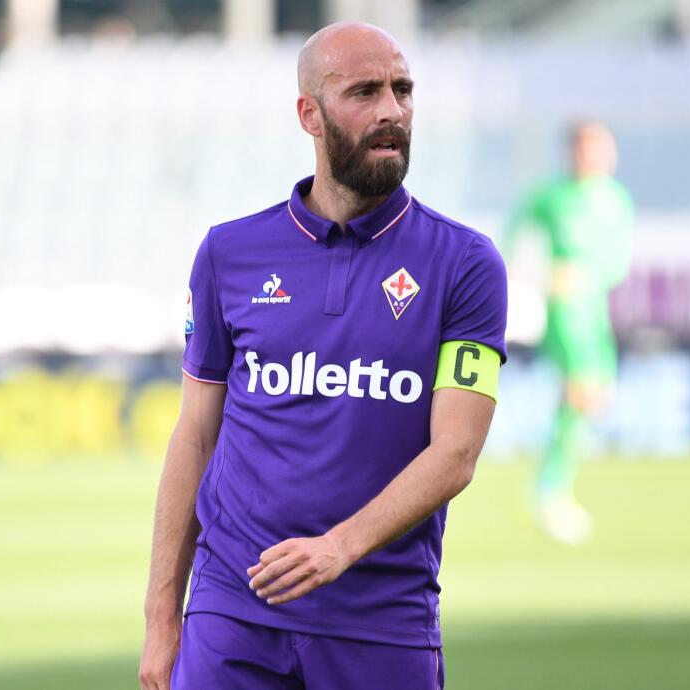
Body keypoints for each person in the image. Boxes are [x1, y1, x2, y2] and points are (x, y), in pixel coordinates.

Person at [140, 21, 508, 690]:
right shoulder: (229, 254)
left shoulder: (465, 264)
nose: (392, 111)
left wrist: (338, 548)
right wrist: (163, 615)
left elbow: (455, 454)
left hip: (381, 622)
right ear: (309, 113)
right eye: (364, 92)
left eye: (403, 90)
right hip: (231, 614)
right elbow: (194, 436)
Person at [502, 122, 634, 545]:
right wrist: (532, 277)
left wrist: (589, 276)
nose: (594, 157)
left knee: (592, 400)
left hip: (594, 310)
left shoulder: (615, 200)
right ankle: (550, 493)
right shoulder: (551, 197)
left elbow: (618, 262)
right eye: (585, 149)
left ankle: (553, 489)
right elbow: (512, 238)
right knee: (579, 393)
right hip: (564, 313)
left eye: (600, 148)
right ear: (572, 154)